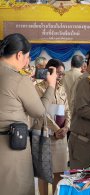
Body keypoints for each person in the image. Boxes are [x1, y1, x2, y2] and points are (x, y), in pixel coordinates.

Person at [0, 33, 56, 195]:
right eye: (27, 57)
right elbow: (40, 112)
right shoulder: (19, 79)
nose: (27, 61)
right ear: (19, 55)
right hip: (11, 149)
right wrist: (51, 86)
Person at [32, 59, 70, 194]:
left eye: (62, 74)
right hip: (45, 134)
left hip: (61, 137)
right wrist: (55, 129)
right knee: (44, 173)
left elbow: (67, 110)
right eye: (58, 73)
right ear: (49, 72)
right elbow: (41, 111)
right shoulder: (38, 87)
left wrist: (66, 127)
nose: (60, 76)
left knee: (59, 174)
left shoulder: (61, 88)